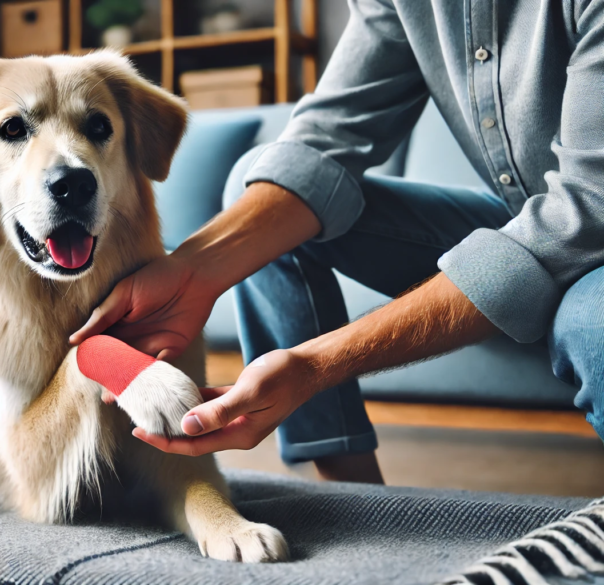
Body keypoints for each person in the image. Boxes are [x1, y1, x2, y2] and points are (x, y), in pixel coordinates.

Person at [69, 0, 604, 483]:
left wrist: (314, 365)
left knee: (592, 322)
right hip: (526, 216)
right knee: (259, 182)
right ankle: (357, 508)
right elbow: (326, 142)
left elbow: (581, 216)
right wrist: (194, 269)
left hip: (590, 227)